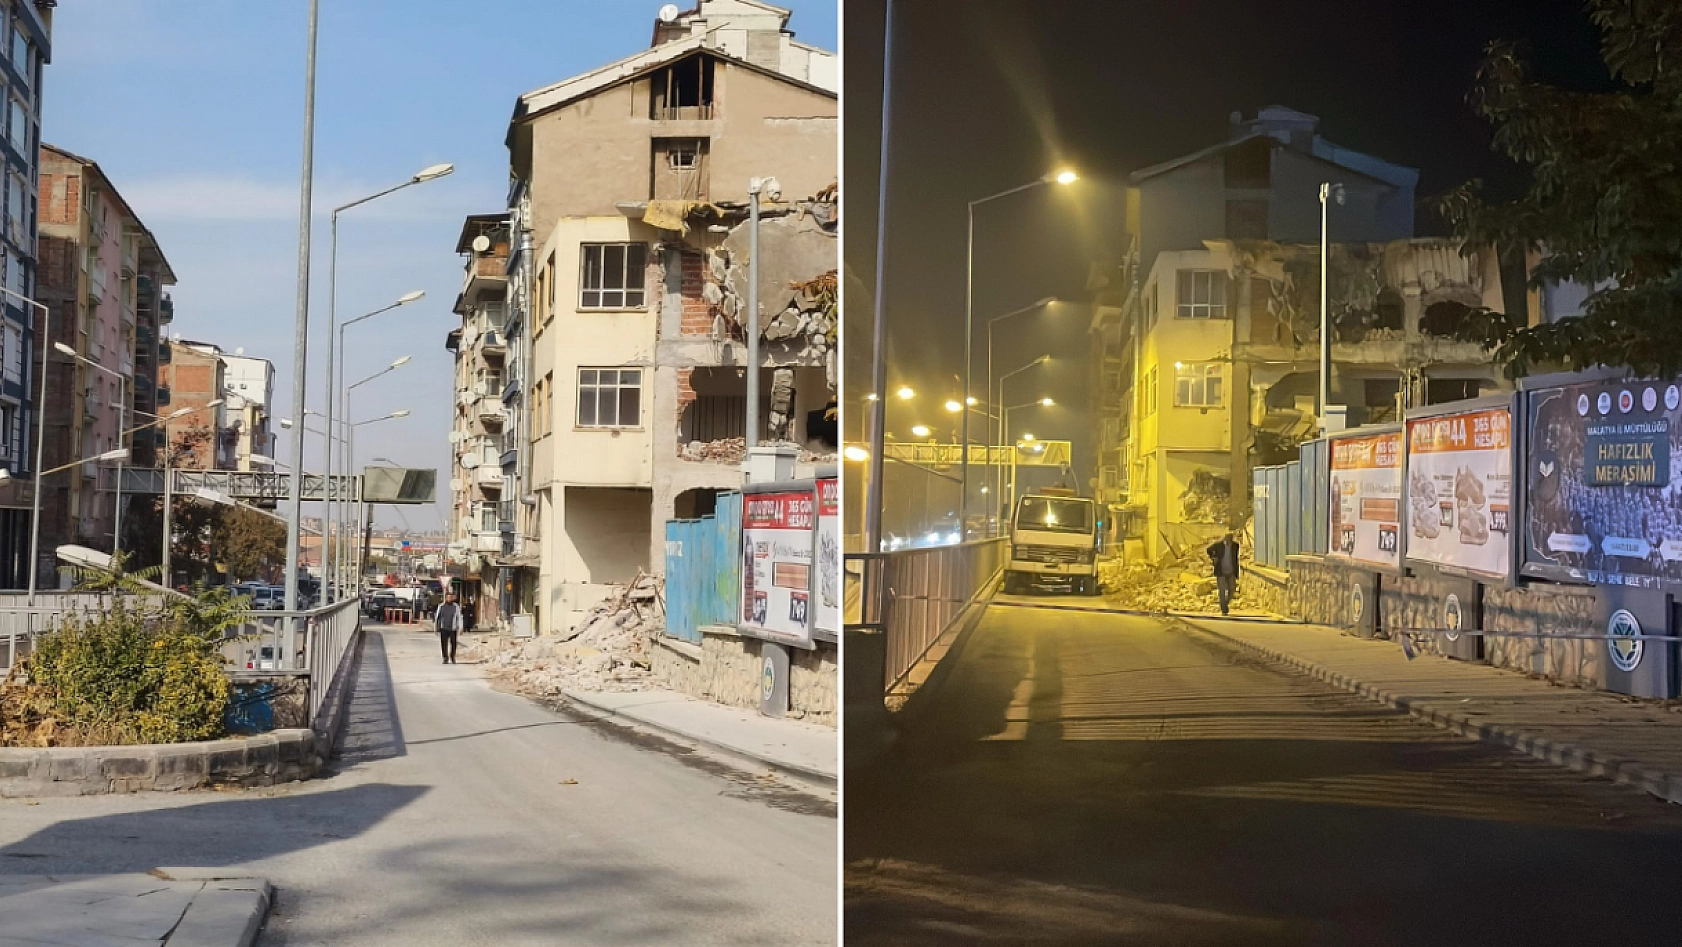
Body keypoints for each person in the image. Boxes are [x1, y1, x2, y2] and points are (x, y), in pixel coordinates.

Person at [1207, 531, 1241, 616]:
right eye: (1228, 538)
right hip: (1221, 571)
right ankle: (1223, 608)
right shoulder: (1218, 545)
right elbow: (1208, 550)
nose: (1230, 540)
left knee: (1232, 589)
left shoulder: (1235, 546)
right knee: (1222, 590)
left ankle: (1225, 603)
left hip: (1231, 571)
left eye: (1231, 538)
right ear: (1225, 538)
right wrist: (1213, 557)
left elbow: (1235, 559)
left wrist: (1236, 571)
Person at [436, 593, 463, 664]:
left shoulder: (456, 607)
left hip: (453, 628)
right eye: (448, 597)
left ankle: (452, 656)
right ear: (445, 598)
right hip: (443, 628)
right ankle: (445, 657)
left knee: (454, 643)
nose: (449, 599)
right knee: (444, 644)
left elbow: (459, 617)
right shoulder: (441, 606)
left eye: (451, 597)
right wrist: (436, 628)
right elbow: (437, 618)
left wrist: (460, 627)